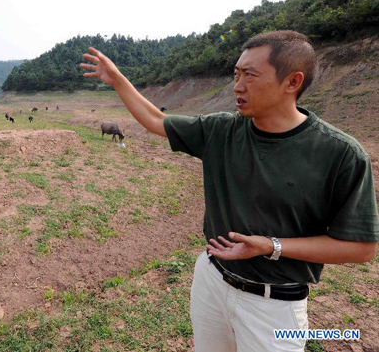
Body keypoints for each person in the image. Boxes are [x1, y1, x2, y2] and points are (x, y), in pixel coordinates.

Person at [79, 30, 378, 351]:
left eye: (250, 75)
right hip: (211, 279)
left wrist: (270, 246)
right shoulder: (221, 130)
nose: (237, 85)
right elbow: (156, 120)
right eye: (235, 74)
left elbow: (360, 248)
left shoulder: (340, 154)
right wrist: (117, 79)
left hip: (274, 305)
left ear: (292, 82)